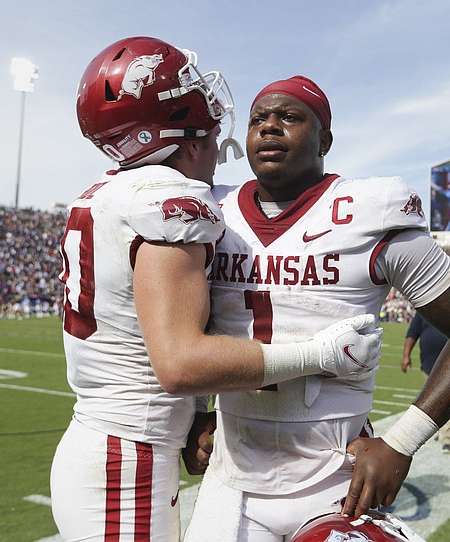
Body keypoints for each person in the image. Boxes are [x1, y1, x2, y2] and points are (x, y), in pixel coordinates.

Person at [49, 39, 383, 542]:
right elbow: (182, 363)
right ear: (178, 129)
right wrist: (318, 354)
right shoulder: (167, 200)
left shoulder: (106, 192)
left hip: (108, 440)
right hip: (127, 454)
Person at [184, 75, 450, 541]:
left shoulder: (368, 212)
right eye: (258, 120)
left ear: (325, 139)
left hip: (337, 482)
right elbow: (186, 329)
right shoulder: (211, 211)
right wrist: (195, 413)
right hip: (232, 481)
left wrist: (401, 442)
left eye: (289, 117)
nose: (269, 128)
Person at [401, 312, 450, 454]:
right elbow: (412, 333)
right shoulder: (423, 310)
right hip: (428, 366)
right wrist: (406, 355)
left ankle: (447, 439)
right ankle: (441, 430)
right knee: (433, 401)